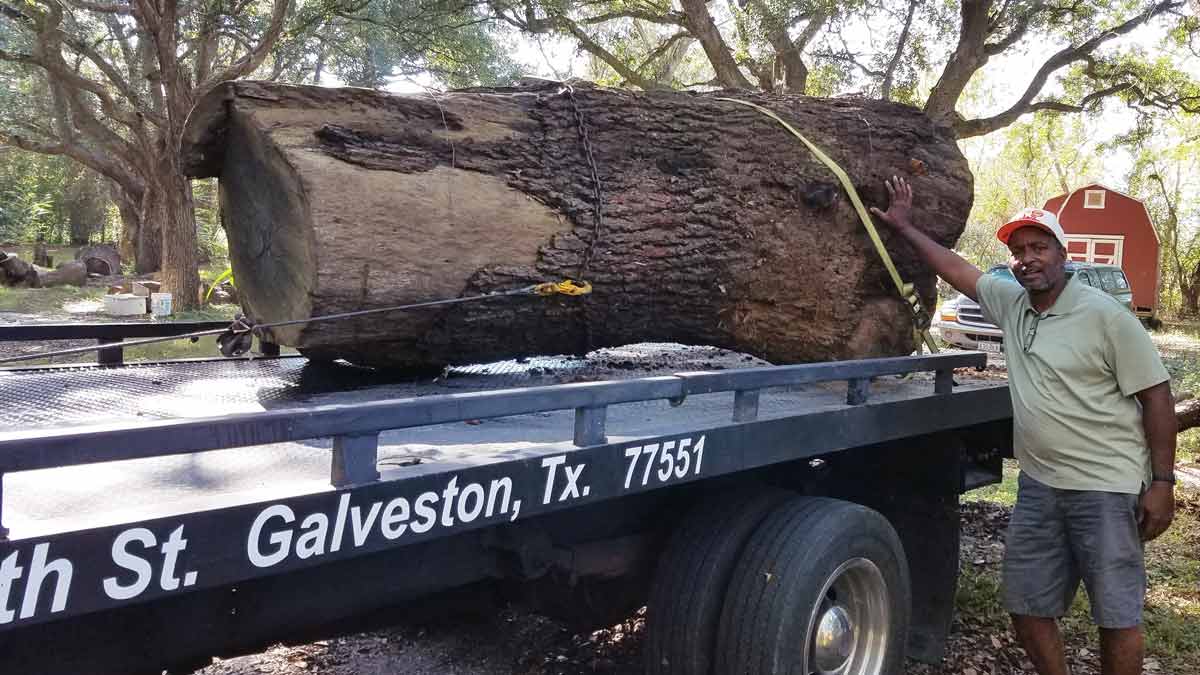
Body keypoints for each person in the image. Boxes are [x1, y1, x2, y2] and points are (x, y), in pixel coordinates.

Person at [870, 176, 1177, 675]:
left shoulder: (1107, 317)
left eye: (1039, 247)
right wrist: (904, 227)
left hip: (1105, 486)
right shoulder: (1013, 304)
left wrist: (1162, 482)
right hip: (1038, 487)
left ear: (1062, 252)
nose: (1027, 258)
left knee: (1116, 615)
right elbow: (954, 267)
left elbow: (1157, 395)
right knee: (1027, 606)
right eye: (1018, 250)